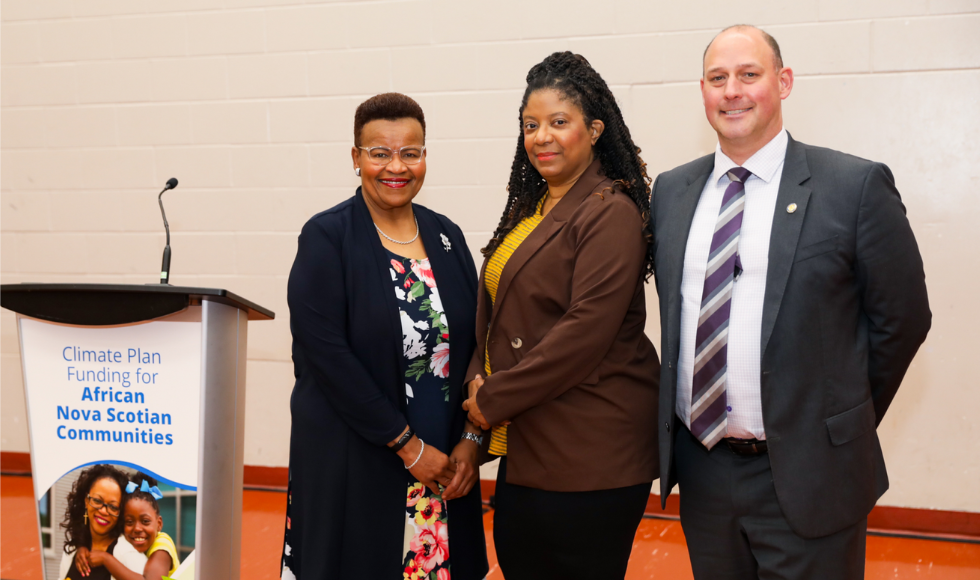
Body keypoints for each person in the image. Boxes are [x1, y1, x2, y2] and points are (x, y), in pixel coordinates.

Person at [650, 25, 931, 579]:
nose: (732, 90)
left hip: (812, 476)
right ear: (702, 90)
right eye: (717, 78)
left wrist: (833, 418)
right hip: (704, 474)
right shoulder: (671, 191)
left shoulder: (853, 186)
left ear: (783, 83)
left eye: (749, 75)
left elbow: (902, 321)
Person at [462, 52, 660, 580]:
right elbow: (498, 312)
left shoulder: (610, 211)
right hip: (530, 445)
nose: (541, 137)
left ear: (594, 130)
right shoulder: (531, 211)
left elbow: (583, 334)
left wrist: (492, 399)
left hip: (591, 454)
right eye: (531, 125)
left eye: (558, 122)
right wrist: (476, 378)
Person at [280, 92, 488, 579]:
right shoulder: (327, 238)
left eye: (410, 153)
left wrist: (471, 440)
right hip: (358, 460)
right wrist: (407, 446)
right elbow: (328, 358)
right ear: (356, 159)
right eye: (380, 153)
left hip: (441, 466)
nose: (396, 166)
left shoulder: (447, 236)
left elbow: (478, 339)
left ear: (424, 156)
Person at [75, 474, 180, 580]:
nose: (137, 528)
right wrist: (82, 546)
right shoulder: (126, 541)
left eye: (145, 521)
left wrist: (105, 559)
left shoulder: (162, 546)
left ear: (159, 524)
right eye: (129, 522)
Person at [58, 464, 146, 580]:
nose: (103, 511)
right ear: (86, 500)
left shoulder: (126, 553)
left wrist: (106, 559)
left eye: (113, 507)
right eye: (97, 500)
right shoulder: (72, 550)